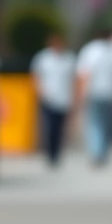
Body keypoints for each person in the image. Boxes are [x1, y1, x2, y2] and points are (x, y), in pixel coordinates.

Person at [75, 27, 112, 166]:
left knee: (95, 123)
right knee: (108, 124)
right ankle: (102, 151)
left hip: (94, 92)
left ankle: (97, 151)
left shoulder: (90, 50)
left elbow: (84, 73)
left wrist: (81, 93)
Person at [30, 31, 75, 167]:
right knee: (49, 127)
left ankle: (56, 153)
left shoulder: (68, 59)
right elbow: (36, 76)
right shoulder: (43, 58)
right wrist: (40, 92)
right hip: (48, 98)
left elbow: (74, 79)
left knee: (59, 128)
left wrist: (74, 97)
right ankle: (49, 152)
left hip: (63, 99)